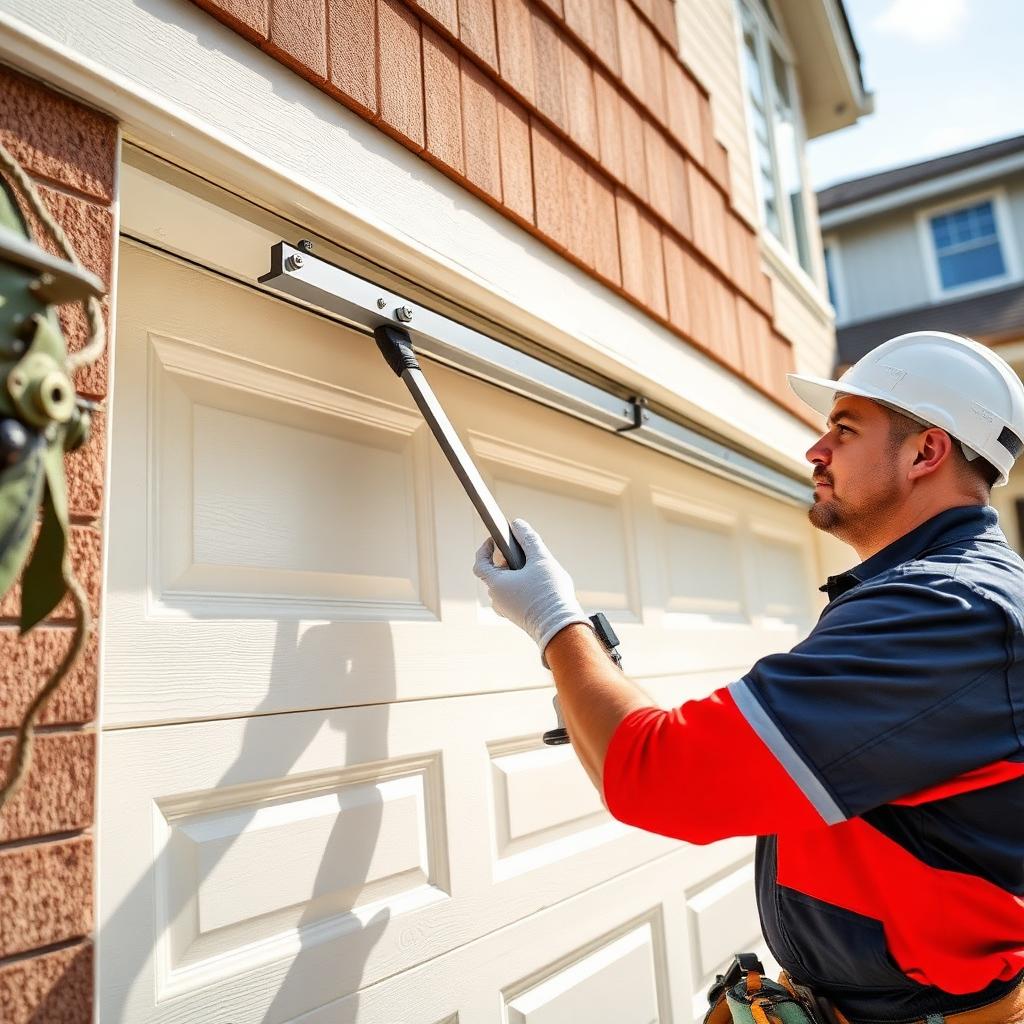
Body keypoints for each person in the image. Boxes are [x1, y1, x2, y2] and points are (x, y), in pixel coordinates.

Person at [473, 332, 1024, 1024]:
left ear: (925, 452)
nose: (815, 451)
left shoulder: (944, 614)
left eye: (844, 431)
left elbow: (658, 777)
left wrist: (557, 624)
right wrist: (590, 687)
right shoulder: (933, 600)